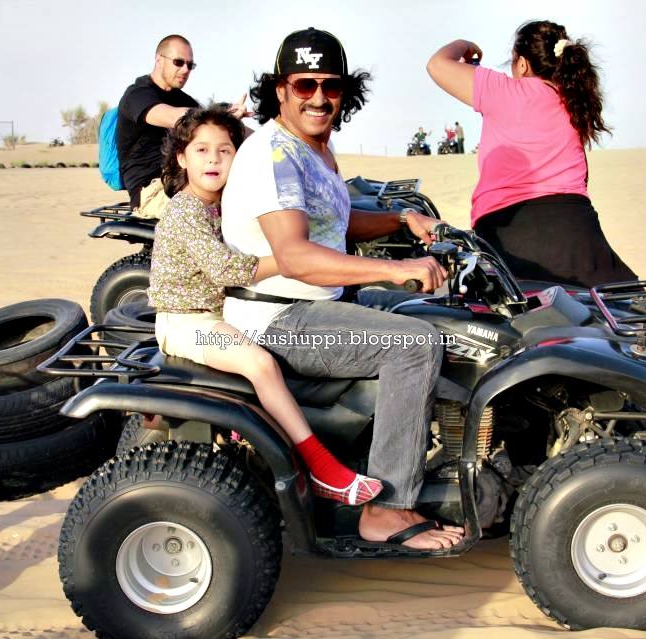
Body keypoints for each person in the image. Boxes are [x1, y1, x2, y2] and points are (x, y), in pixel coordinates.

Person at [221, 27, 464, 550]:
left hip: (311, 303)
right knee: (414, 345)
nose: (318, 97)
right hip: (278, 318)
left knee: (437, 311)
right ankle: (388, 509)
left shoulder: (313, 150)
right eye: (304, 85)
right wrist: (391, 270)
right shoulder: (274, 155)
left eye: (330, 86)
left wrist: (402, 219)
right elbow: (296, 256)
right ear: (280, 90)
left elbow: (339, 221)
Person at [148, 105, 384, 506]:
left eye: (225, 150)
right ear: (181, 158)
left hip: (218, 314)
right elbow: (224, 268)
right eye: (202, 150)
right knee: (260, 364)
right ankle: (319, 465)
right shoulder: (186, 209)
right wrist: (293, 258)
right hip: (190, 323)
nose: (214, 159)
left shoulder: (219, 203)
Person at [427, 21, 638, 287]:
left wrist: (464, 45)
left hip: (512, 231)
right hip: (578, 231)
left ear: (523, 64)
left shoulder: (503, 90)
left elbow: (437, 64)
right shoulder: (574, 100)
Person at [116, 34, 249, 217]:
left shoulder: (183, 100)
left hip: (187, 180)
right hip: (152, 191)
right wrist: (223, 115)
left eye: (190, 65)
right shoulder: (137, 95)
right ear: (159, 60)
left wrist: (267, 137)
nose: (185, 69)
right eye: (178, 62)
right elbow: (172, 116)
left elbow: (213, 127)